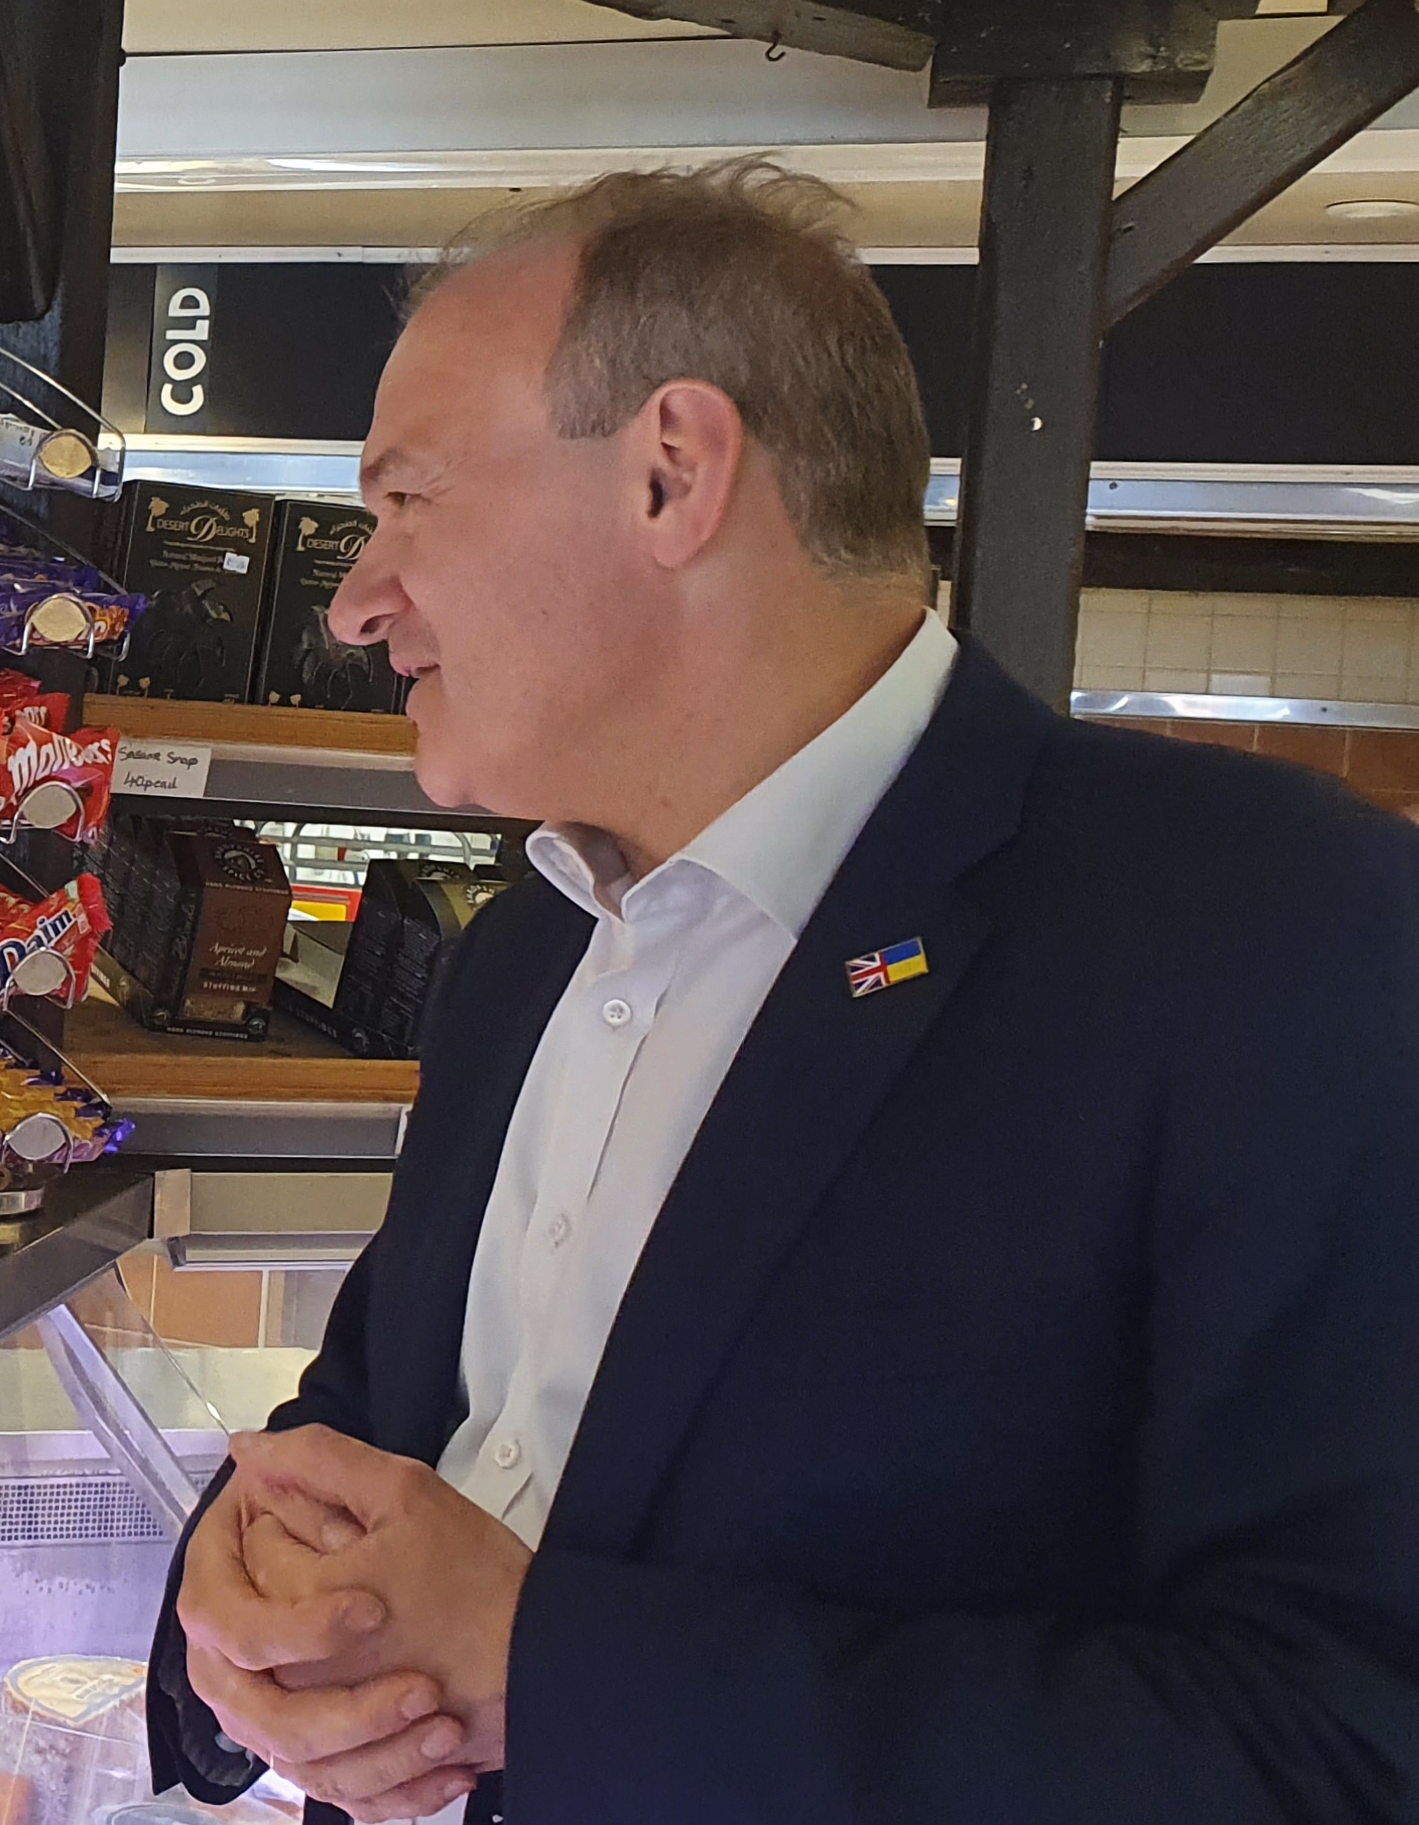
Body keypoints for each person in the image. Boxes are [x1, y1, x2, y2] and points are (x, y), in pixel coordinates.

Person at [148, 160, 1419, 1823]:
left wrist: (556, 1671)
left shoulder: (1273, 932)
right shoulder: (518, 949)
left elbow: (1343, 1741)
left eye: (405, 501)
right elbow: (378, 1420)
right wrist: (228, 1627)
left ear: (672, 472)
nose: (354, 599)